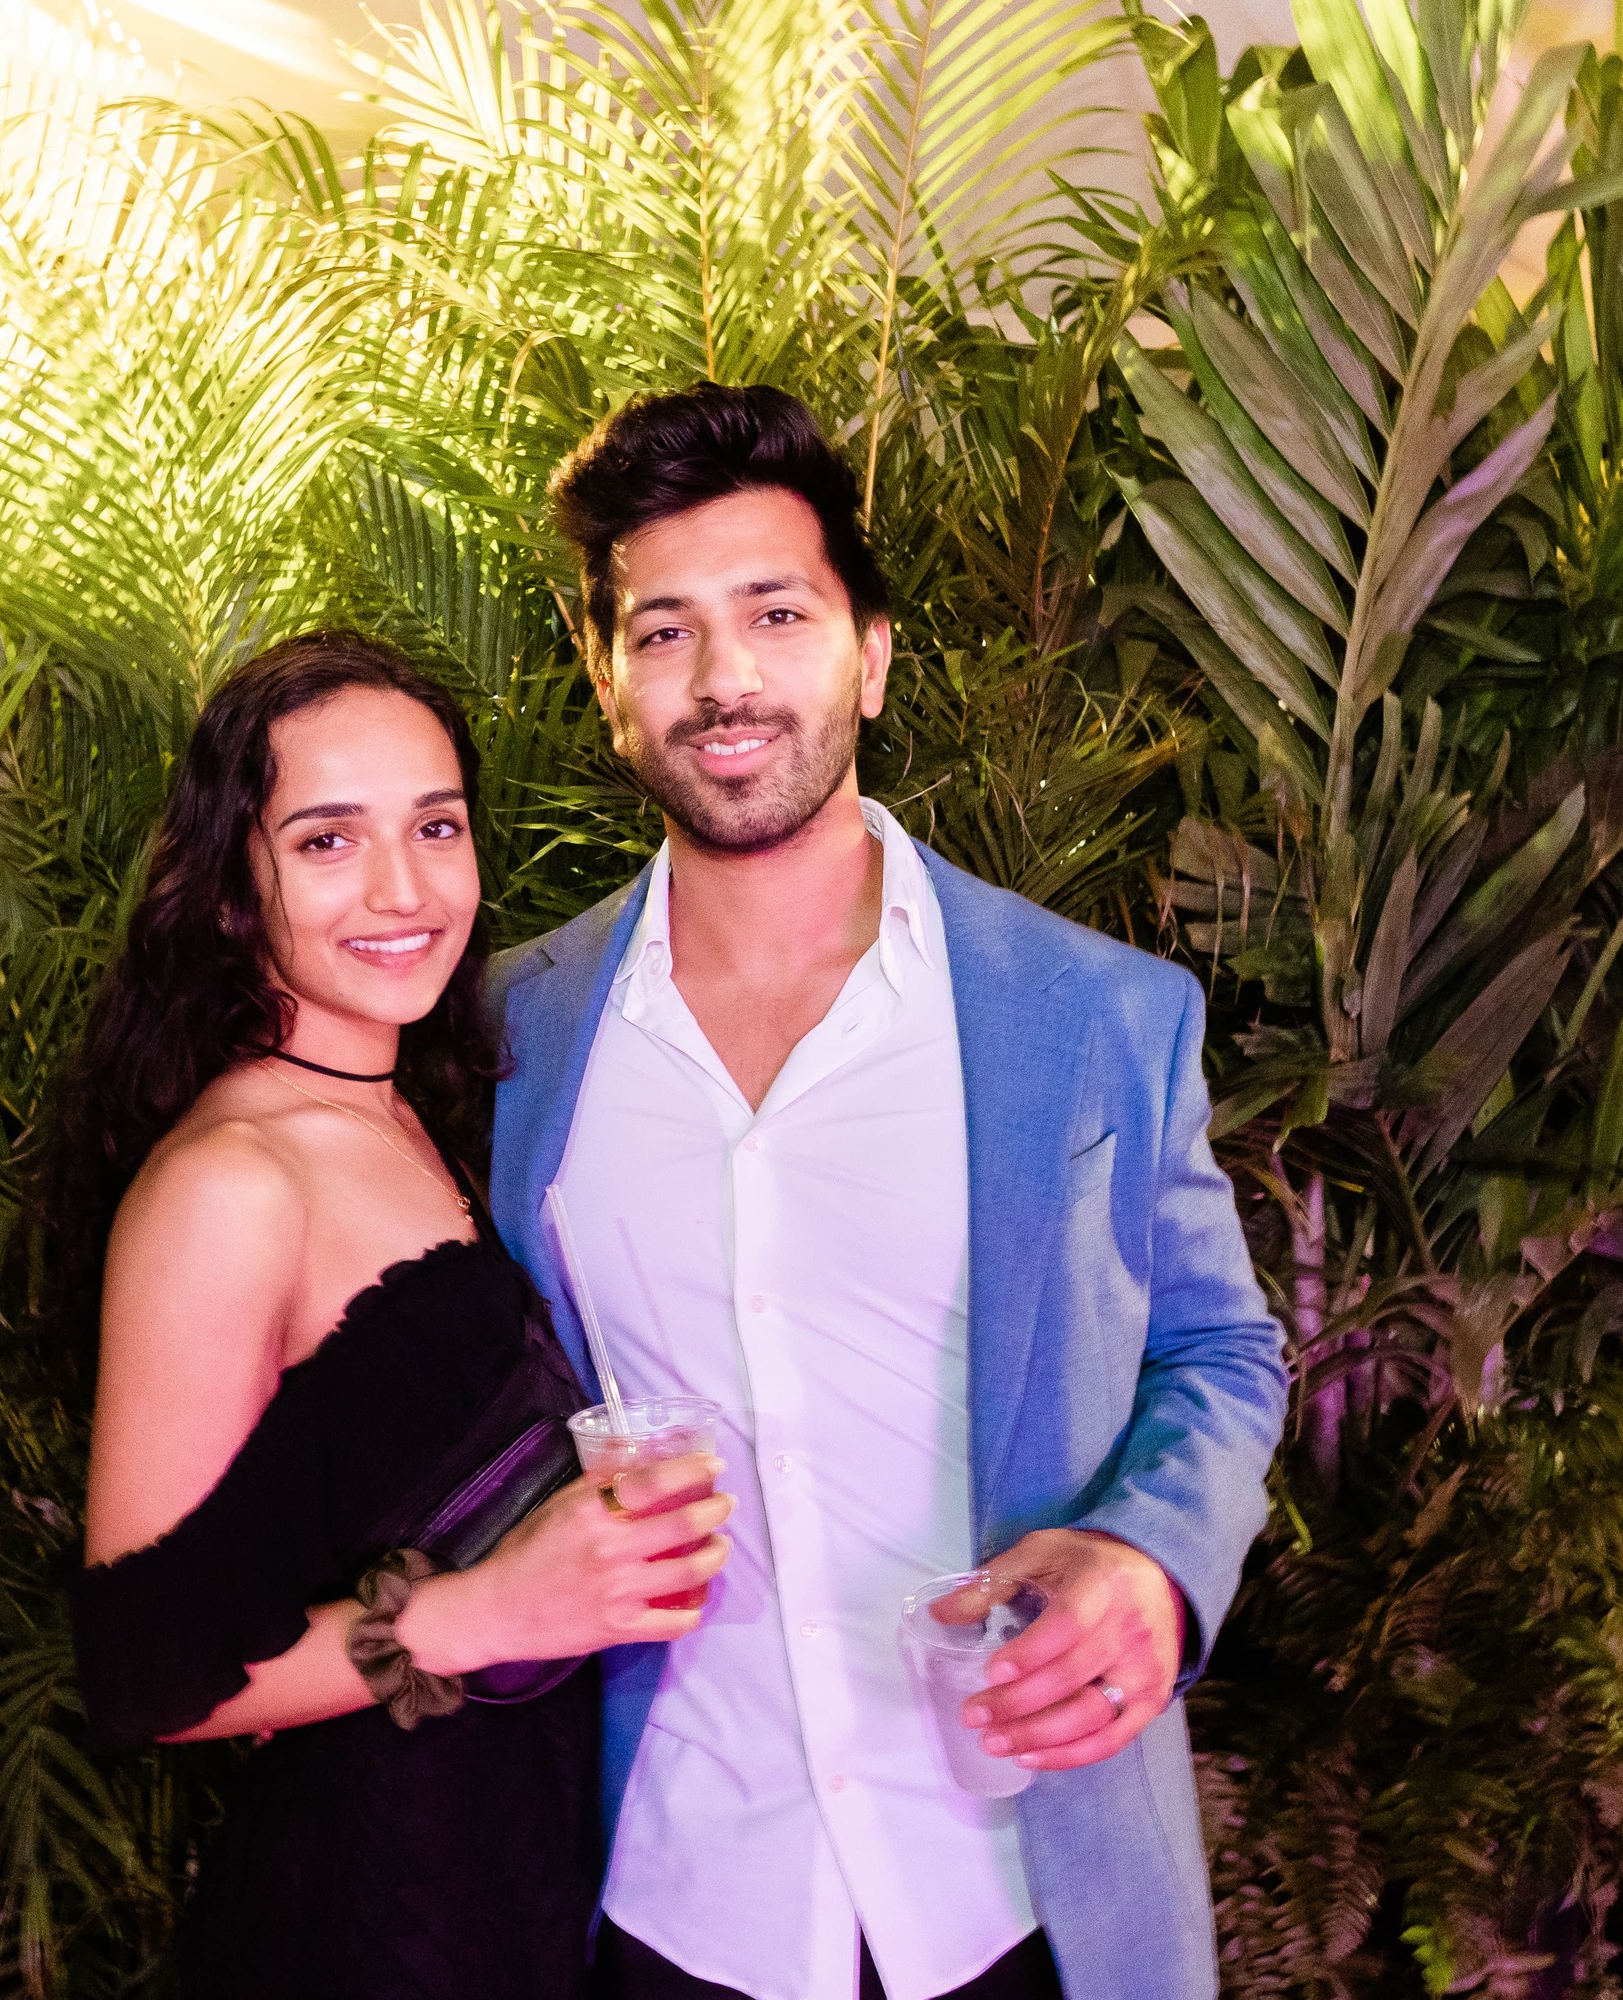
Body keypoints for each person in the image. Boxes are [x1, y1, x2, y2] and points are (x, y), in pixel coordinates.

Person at [491, 386, 1289, 2000]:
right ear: (606, 680)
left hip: (1023, 1891)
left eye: (776, 614)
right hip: (669, 1897)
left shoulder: (1098, 1018)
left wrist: (1151, 1558)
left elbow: (1223, 1351)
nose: (724, 679)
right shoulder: (509, 1039)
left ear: (870, 655)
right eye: (663, 631)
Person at [60, 633, 736, 1999]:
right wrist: (487, 1610)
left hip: (511, 1894)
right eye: (327, 840)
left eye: (436, 826)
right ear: (231, 888)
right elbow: (146, 1676)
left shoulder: (411, 1108)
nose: (403, 889)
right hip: (366, 1921)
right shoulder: (233, 1185)